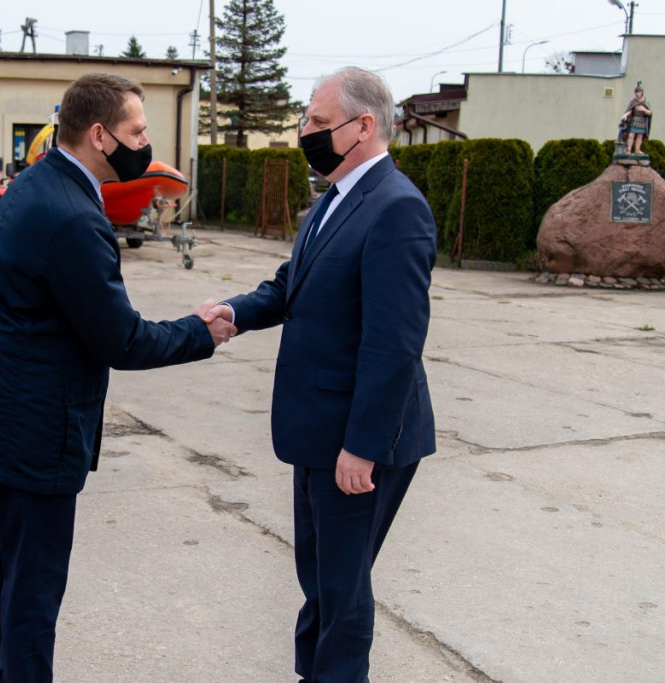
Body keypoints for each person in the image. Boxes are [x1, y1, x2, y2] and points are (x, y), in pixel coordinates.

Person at [0, 72, 236, 683]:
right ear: (100, 135)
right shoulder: (74, 216)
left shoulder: (36, 182)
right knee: (30, 593)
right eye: (138, 131)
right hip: (30, 432)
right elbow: (121, 340)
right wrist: (198, 332)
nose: (145, 144)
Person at [201, 67, 437, 683]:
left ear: (364, 126)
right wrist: (232, 313)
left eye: (318, 121)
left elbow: (394, 343)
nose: (305, 130)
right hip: (317, 431)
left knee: (342, 586)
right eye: (307, 118)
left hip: (356, 441)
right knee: (322, 579)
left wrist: (363, 445)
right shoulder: (332, 200)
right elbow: (291, 285)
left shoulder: (396, 208)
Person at [621, 82, 652, 156]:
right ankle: (628, 149)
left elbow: (650, 113)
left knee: (640, 136)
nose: (638, 94)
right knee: (631, 135)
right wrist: (625, 115)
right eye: (636, 92)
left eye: (639, 92)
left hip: (642, 121)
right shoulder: (633, 101)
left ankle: (637, 150)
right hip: (634, 120)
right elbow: (629, 110)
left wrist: (643, 109)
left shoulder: (646, 102)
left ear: (642, 92)